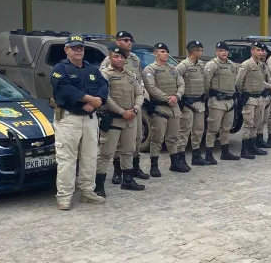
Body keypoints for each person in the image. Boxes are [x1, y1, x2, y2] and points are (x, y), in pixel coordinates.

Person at [50, 34, 108, 210]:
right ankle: (64, 196)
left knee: (90, 157)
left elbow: (104, 85)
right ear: (66, 50)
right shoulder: (60, 68)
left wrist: (98, 100)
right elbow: (65, 89)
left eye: (81, 47)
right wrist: (89, 99)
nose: (78, 51)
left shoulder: (91, 69)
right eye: (74, 47)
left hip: (90, 119)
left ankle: (87, 191)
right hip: (69, 119)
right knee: (67, 159)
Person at [98, 31, 149, 184]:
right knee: (115, 144)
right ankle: (117, 171)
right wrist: (121, 111)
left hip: (133, 106)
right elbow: (103, 89)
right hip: (116, 109)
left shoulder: (134, 59)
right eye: (125, 40)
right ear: (117, 42)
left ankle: (133, 168)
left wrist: (136, 106)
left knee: (136, 138)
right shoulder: (108, 62)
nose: (129, 42)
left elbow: (138, 81)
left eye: (130, 40)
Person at [142, 43, 187, 176]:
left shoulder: (173, 69)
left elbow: (181, 84)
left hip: (174, 108)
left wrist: (177, 96)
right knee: (157, 138)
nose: (165, 54)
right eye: (162, 51)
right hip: (160, 108)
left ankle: (175, 163)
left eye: (166, 52)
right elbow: (151, 88)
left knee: (173, 137)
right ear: (155, 53)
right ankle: (154, 166)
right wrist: (167, 98)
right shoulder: (150, 70)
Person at [203, 41, 240, 162]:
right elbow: (206, 83)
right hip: (217, 102)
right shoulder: (212, 65)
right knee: (213, 129)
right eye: (221, 51)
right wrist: (209, 96)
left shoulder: (232, 65)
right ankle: (208, 154)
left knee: (226, 128)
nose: (223, 53)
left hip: (229, 101)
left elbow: (235, 81)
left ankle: (225, 152)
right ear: (216, 52)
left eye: (225, 50)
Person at [237, 42, 271, 158]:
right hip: (250, 98)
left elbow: (260, 81)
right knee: (248, 123)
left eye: (262, 50)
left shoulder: (260, 65)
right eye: (258, 50)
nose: (261, 52)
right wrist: (244, 93)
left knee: (256, 123)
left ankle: (252, 146)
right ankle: (244, 149)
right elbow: (238, 82)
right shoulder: (246, 64)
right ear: (252, 51)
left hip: (259, 97)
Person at [176, 40, 208, 168]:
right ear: (194, 51)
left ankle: (196, 155)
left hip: (199, 102)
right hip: (187, 103)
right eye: (200, 50)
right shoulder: (182, 66)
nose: (202, 52)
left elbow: (205, 82)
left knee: (198, 130)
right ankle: (180, 157)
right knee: (184, 131)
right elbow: (176, 83)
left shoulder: (201, 65)